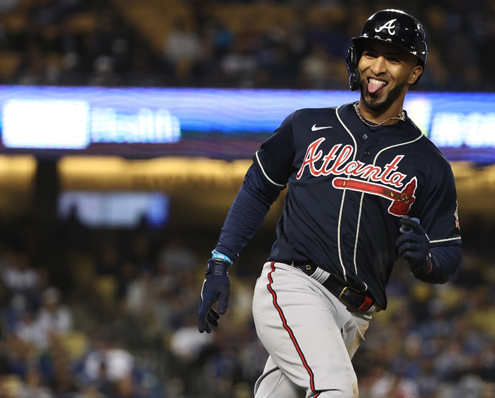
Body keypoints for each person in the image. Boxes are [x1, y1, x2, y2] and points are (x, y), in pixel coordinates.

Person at [197, 9, 462, 398]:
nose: (377, 66)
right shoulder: (306, 124)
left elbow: (448, 253)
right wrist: (220, 262)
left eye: (393, 57)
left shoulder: (429, 163)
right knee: (337, 388)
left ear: (414, 72)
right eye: (370, 53)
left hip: (355, 315)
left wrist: (427, 261)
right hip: (294, 283)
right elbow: (258, 188)